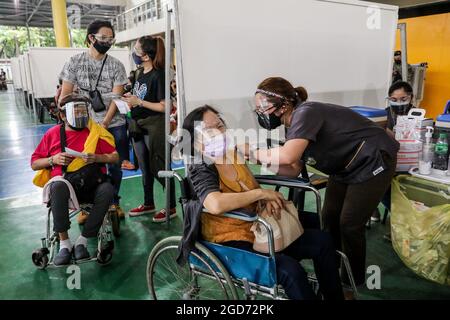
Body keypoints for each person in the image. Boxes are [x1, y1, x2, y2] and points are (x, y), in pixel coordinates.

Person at [239, 77, 399, 292]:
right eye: (257, 109)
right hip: (343, 167)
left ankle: (351, 283)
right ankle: (331, 269)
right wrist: (257, 159)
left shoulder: (306, 112)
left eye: (264, 107)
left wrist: (252, 151)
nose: (261, 113)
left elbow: (287, 155)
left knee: (349, 224)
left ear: (283, 104)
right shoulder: (292, 124)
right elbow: (293, 169)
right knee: (329, 218)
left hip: (373, 159)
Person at [181, 105, 344, 300]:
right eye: (208, 130)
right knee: (291, 271)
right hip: (231, 238)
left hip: (258, 225)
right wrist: (260, 195)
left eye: (220, 126)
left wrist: (279, 154)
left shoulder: (232, 153)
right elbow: (215, 204)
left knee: (322, 239)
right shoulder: (200, 165)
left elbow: (289, 171)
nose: (218, 133)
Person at [31, 94, 118, 266]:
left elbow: (115, 157)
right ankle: (64, 244)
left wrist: (97, 158)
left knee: (108, 190)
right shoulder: (53, 134)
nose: (80, 116)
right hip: (64, 185)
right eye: (76, 112)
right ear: (63, 115)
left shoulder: (95, 132)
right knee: (57, 186)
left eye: (82, 111)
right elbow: (34, 164)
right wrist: (52, 160)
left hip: (92, 184)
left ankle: (82, 241)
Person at [59, 20, 128, 221]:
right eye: (104, 38)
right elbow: (65, 95)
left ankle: (114, 202)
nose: (108, 42)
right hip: (82, 126)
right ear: (91, 38)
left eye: (111, 39)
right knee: (85, 165)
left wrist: (105, 122)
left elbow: (117, 97)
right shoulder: (74, 62)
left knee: (115, 165)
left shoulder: (117, 65)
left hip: (113, 124)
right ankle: (87, 207)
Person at [122, 35, 177, 222]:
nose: (134, 53)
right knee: (145, 168)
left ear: (146, 56)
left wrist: (140, 102)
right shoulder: (139, 73)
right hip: (137, 125)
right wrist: (131, 100)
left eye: (136, 50)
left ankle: (171, 207)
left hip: (155, 126)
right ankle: (148, 203)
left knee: (159, 166)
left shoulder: (159, 75)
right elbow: (139, 97)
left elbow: (165, 106)